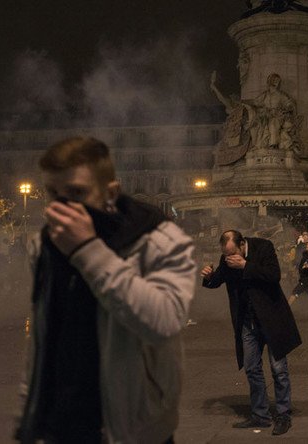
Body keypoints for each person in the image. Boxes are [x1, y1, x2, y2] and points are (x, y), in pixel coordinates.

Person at [15, 137, 196, 444]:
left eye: (77, 193)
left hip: (132, 429)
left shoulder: (162, 242)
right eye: (53, 194)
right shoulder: (45, 246)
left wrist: (87, 250)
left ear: (110, 192)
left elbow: (165, 321)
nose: (63, 206)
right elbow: (44, 337)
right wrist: (28, 413)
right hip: (61, 426)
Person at [201, 230, 301, 435]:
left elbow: (273, 276)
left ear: (242, 244)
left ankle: (283, 414)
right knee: (252, 368)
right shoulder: (227, 259)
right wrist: (208, 277)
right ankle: (260, 415)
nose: (229, 258)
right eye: (226, 254)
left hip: (271, 319)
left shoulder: (263, 247)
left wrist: (245, 265)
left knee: (278, 369)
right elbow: (217, 280)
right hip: (248, 322)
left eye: (232, 253)